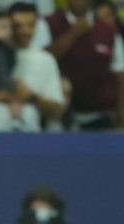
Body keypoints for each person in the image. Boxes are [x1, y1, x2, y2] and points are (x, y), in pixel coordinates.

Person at [0, 2, 65, 131]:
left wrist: (32, 97)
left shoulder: (46, 59)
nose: (25, 31)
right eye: (17, 26)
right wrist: (3, 96)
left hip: (29, 132)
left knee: (28, 114)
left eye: (31, 25)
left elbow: (57, 110)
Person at [44, 0, 124, 129]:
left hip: (100, 114)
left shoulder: (108, 29)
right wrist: (73, 33)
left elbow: (119, 74)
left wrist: (121, 113)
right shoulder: (48, 23)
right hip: (59, 116)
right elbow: (42, 59)